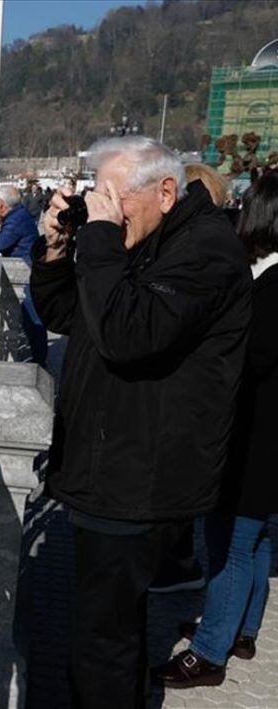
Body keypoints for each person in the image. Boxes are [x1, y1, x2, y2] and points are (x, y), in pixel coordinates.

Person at [29, 136, 251, 708]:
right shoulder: (151, 235)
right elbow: (69, 316)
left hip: (138, 476)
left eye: (113, 198)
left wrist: (100, 239)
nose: (104, 213)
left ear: (167, 191)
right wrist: (57, 250)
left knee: (100, 640)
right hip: (114, 466)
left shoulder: (206, 252)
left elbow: (130, 336)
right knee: (114, 628)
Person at [153, 169, 278, 689]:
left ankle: (209, 652)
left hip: (255, 433)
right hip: (268, 436)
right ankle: (241, 629)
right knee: (258, 535)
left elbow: (252, 358)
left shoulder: (270, 284)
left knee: (230, 539)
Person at [149, 162, 232, 595]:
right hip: (198, 403)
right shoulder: (215, 244)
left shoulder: (202, 252)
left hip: (191, 403)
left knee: (174, 496)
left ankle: (177, 567)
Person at [0, 184, 48, 364]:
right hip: (26, 270)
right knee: (30, 320)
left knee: (34, 320)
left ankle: (40, 362)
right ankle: (38, 358)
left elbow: (1, 243)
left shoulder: (16, 219)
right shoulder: (18, 214)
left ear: (2, 205)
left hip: (26, 273)